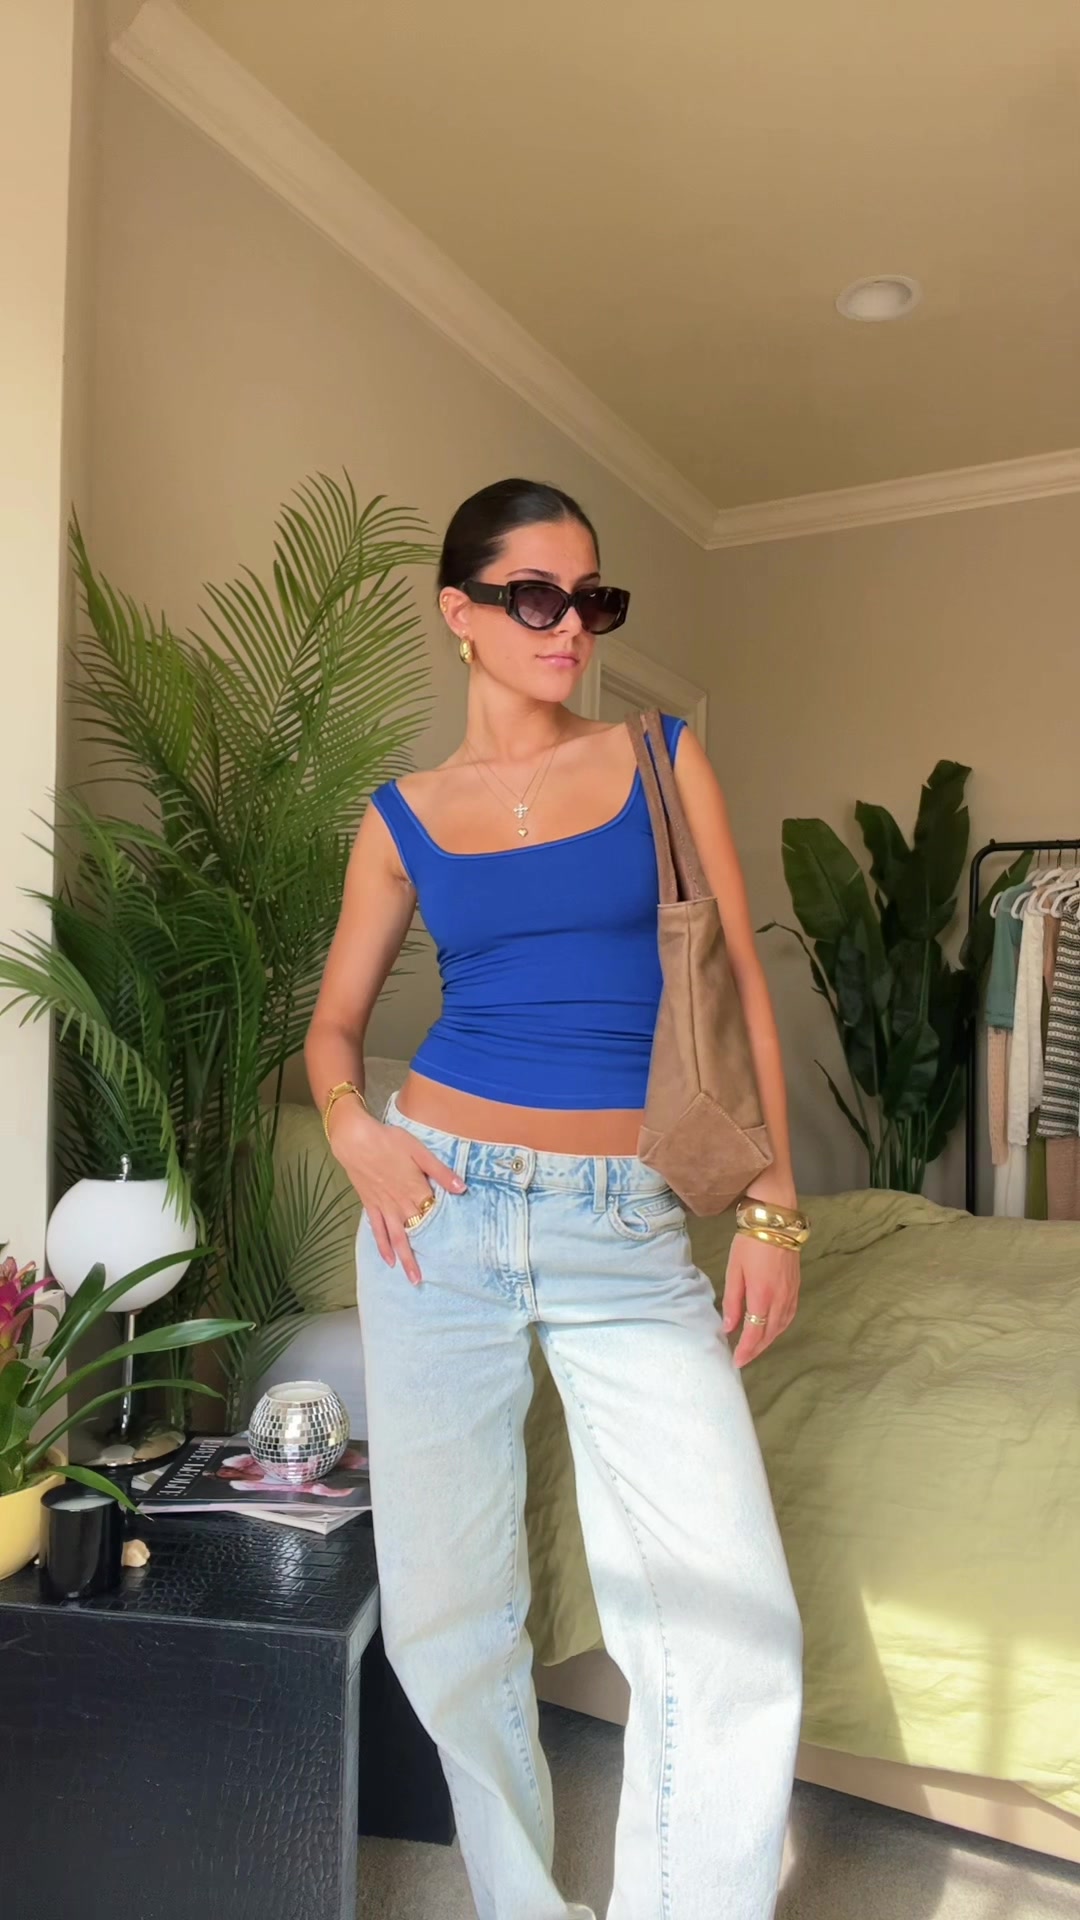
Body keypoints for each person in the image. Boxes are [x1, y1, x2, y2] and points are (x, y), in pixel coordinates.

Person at [305, 478, 805, 1920]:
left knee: (731, 1627)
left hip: (624, 1222)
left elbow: (736, 984)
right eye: (536, 595)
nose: (571, 624)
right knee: (452, 1622)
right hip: (436, 1216)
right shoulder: (400, 816)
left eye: (594, 599)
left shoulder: (659, 757)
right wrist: (352, 1129)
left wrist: (771, 1205)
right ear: (459, 614)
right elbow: (332, 1029)